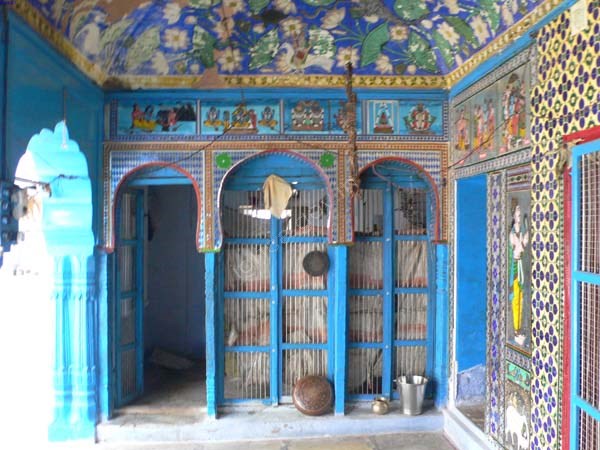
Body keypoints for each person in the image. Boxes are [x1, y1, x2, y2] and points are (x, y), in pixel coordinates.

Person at [508, 198, 529, 346]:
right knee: (515, 298)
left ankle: (519, 328)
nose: (519, 216)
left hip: (520, 265)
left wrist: (524, 239)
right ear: (513, 215)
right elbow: (517, 250)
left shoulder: (521, 232)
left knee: (521, 298)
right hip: (515, 267)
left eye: (520, 213)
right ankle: (516, 329)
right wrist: (522, 241)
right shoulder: (512, 234)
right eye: (517, 213)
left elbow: (522, 248)